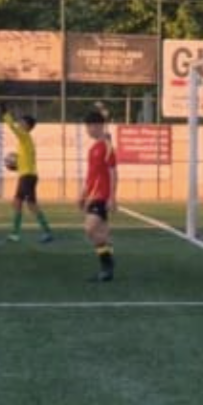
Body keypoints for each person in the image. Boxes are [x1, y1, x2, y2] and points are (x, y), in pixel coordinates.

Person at [2, 103, 53, 244]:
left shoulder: (24, 136)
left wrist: (5, 114)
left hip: (27, 177)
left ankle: (18, 234)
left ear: (27, 126)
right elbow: (25, 162)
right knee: (24, 204)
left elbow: (12, 127)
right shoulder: (25, 140)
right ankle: (42, 232)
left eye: (22, 122)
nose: (19, 123)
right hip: (27, 176)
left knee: (23, 204)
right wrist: (16, 165)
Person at [80, 110, 118, 282]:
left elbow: (113, 173)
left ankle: (108, 262)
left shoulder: (107, 146)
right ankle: (107, 269)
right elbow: (91, 175)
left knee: (90, 229)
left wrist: (112, 197)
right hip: (93, 196)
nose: (87, 130)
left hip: (102, 196)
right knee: (102, 232)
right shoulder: (93, 148)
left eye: (88, 127)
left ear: (97, 126)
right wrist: (83, 194)